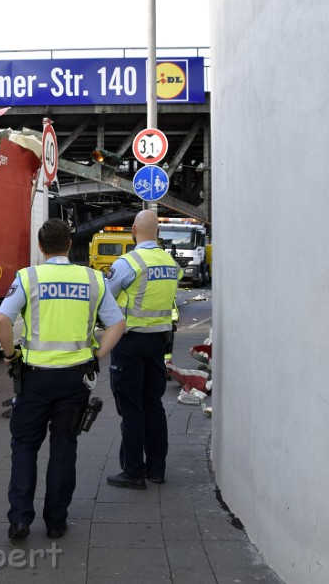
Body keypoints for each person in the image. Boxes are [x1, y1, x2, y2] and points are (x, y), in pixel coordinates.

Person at [0, 218, 125, 541]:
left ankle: (20, 519)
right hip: (74, 381)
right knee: (64, 448)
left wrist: (11, 354)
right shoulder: (93, 279)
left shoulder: (29, 277)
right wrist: (97, 356)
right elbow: (117, 324)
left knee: (24, 446)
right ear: (69, 244)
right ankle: (55, 522)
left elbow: (1, 320)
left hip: (35, 379)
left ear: (41, 247)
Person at [104, 209, 182, 490]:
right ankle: (157, 469)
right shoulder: (170, 262)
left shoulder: (129, 262)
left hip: (130, 342)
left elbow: (106, 295)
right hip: (158, 341)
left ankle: (133, 471)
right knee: (154, 405)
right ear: (158, 232)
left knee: (131, 407)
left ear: (134, 230)